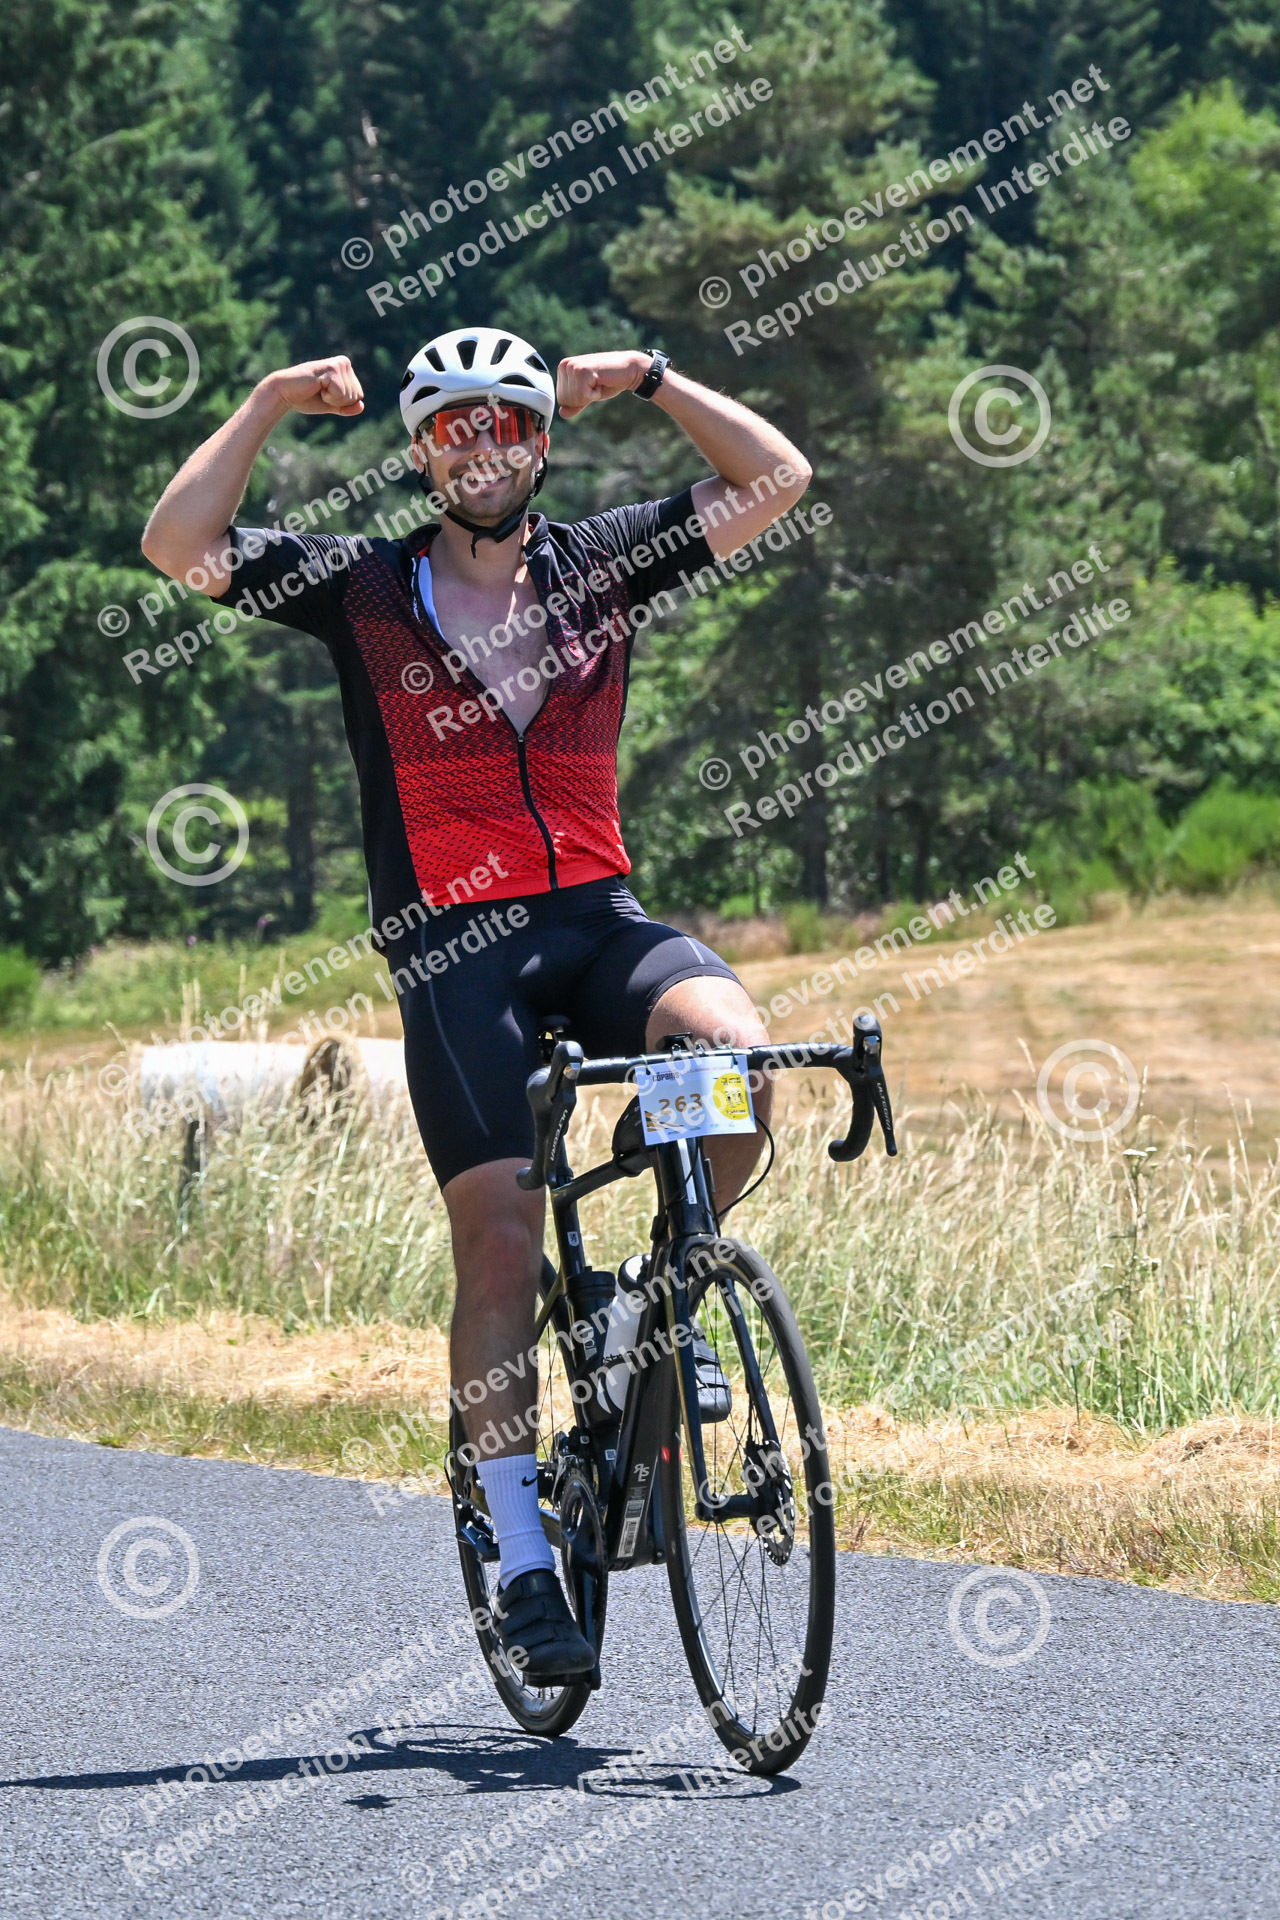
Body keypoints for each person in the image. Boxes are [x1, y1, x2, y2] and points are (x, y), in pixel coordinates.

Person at [141, 328, 812, 1681]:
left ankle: (656, 1298)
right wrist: (268, 399)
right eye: (453, 427)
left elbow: (779, 478)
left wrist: (656, 379)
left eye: (505, 421)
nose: (482, 448)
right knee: (501, 1239)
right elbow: (178, 544)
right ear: (420, 451)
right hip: (457, 952)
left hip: (598, 919)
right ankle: (520, 1560)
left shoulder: (605, 562)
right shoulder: (361, 591)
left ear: (541, 440)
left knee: (736, 1066)